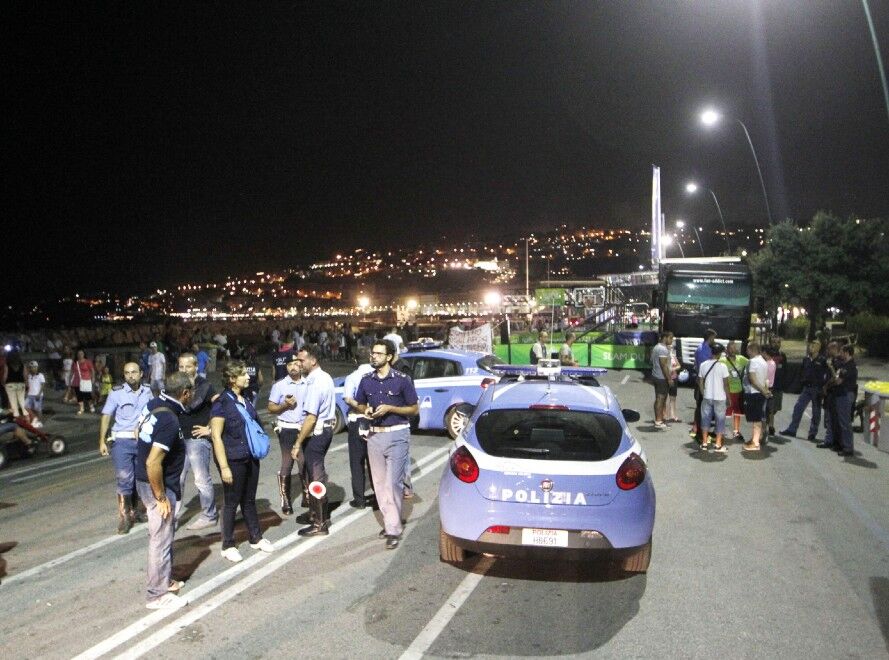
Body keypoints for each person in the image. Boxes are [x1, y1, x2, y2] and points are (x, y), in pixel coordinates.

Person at [134, 371, 192, 609]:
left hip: (145, 481)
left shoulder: (153, 404)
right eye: (191, 392)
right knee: (161, 539)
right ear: (185, 393)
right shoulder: (169, 420)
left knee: (161, 536)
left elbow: (138, 433)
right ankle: (156, 595)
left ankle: (165, 580)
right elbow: (153, 462)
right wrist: (160, 496)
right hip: (158, 485)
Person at [354, 339, 419, 549]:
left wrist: (391, 408)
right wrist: (365, 410)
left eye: (378, 354)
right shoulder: (366, 380)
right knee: (380, 484)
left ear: (389, 357)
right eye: (372, 353)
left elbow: (413, 409)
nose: (373, 356)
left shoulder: (402, 380)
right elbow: (359, 403)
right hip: (374, 436)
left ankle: (393, 529)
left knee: (393, 483)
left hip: (397, 434)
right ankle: (391, 520)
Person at [210, 361, 274, 562]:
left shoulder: (245, 399)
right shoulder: (221, 403)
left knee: (249, 499)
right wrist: (224, 467)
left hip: (250, 457)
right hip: (233, 459)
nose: (248, 377)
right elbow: (216, 436)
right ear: (232, 379)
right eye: (243, 374)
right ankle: (228, 545)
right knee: (231, 502)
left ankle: (256, 537)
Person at [99, 362, 154, 533]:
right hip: (122, 441)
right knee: (125, 479)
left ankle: (136, 511)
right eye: (127, 373)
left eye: (134, 372)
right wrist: (101, 441)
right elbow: (106, 415)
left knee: (140, 477)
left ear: (141, 374)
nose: (130, 375)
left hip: (143, 441)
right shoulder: (116, 393)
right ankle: (124, 517)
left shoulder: (147, 391)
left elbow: (153, 412)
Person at [290, 344, 337, 536]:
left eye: (302, 360)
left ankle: (320, 523)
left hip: (316, 433)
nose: (298, 364)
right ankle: (314, 514)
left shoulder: (316, 382)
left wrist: (297, 443)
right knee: (312, 475)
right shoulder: (322, 377)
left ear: (313, 360)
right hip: (323, 430)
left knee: (316, 477)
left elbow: (311, 417)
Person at [176, 353, 220, 530]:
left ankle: (209, 515)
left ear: (196, 367)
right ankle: (172, 518)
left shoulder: (205, 386)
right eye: (181, 366)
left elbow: (220, 406)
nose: (184, 370)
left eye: (188, 366)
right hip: (179, 440)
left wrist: (209, 428)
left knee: (201, 479)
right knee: (176, 479)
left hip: (197, 440)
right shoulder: (176, 385)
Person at [266, 350, 306, 516]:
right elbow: (271, 407)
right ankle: (286, 499)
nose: (293, 367)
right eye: (290, 364)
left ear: (302, 365)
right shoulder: (280, 385)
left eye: (296, 363)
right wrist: (284, 405)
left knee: (304, 462)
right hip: (287, 428)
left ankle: (307, 494)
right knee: (287, 463)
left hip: (305, 428)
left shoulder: (308, 383)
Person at [342, 347, 375, 508]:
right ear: (370, 358)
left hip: (357, 420)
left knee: (357, 461)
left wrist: (359, 406)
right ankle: (378, 496)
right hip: (374, 420)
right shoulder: (376, 374)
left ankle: (359, 499)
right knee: (375, 461)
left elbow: (347, 398)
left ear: (355, 360)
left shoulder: (352, 377)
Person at [780, 341, 827, 441]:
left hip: (817, 388)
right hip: (806, 387)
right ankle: (792, 429)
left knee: (816, 412)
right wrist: (802, 381)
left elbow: (825, 374)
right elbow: (802, 371)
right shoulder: (806, 359)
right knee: (798, 408)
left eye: (814, 346)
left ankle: (812, 433)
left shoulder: (822, 360)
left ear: (819, 348)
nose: (811, 347)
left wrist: (823, 387)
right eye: (811, 345)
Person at [697, 343, 730, 452]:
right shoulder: (723, 366)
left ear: (711, 352)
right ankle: (718, 444)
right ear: (719, 354)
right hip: (720, 397)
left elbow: (700, 382)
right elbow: (726, 384)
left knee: (705, 419)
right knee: (720, 420)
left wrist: (703, 393)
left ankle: (704, 443)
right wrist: (729, 398)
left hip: (707, 396)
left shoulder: (703, 365)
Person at [741, 342, 771, 451]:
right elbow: (766, 380)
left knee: (756, 419)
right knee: (756, 418)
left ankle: (755, 443)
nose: (746, 352)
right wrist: (765, 390)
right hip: (759, 393)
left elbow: (752, 379)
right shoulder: (764, 361)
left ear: (751, 350)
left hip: (754, 393)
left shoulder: (753, 361)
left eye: (747, 350)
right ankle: (755, 439)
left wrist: (763, 391)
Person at [720, 341, 749, 442]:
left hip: (739, 390)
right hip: (727, 391)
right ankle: (721, 430)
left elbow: (752, 363)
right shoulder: (722, 361)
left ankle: (736, 430)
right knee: (724, 412)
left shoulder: (741, 359)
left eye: (734, 348)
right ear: (727, 350)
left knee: (738, 412)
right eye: (730, 348)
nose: (732, 350)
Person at [692, 329, 717, 441]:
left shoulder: (703, 348)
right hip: (704, 382)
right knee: (702, 406)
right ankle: (700, 432)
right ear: (710, 337)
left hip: (704, 381)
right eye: (714, 338)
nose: (714, 340)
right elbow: (705, 368)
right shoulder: (703, 350)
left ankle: (701, 430)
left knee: (703, 406)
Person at [818, 341, 843, 451]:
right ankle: (831, 439)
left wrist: (826, 386)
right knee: (829, 417)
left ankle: (830, 440)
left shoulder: (837, 362)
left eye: (829, 349)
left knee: (831, 418)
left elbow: (835, 377)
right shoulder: (832, 361)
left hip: (833, 392)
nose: (827, 351)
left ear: (834, 349)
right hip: (830, 392)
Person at [650, 331, 673, 429]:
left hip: (656, 375)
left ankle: (660, 419)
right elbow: (663, 365)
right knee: (660, 398)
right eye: (670, 338)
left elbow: (651, 361)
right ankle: (658, 421)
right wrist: (669, 379)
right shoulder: (662, 349)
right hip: (661, 378)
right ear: (665, 337)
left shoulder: (656, 347)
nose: (671, 340)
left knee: (660, 398)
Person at [767, 336, 788, 436]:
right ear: (770, 343)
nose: (776, 344)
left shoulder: (782, 355)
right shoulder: (767, 354)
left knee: (776, 408)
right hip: (769, 385)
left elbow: (785, 370)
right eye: (774, 342)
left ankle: (767, 420)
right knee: (770, 407)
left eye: (778, 342)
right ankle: (771, 426)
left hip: (779, 386)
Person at [71, 349, 96, 415]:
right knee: (79, 395)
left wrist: (93, 378)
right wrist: (70, 380)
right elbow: (72, 372)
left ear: (84, 354)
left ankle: (91, 406)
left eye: (81, 353)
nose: (80, 355)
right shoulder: (75, 362)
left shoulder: (88, 362)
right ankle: (81, 408)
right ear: (77, 355)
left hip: (86, 380)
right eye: (79, 354)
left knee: (87, 394)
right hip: (77, 381)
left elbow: (92, 370)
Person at [4, 351, 26, 418]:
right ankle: (25, 417)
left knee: (12, 402)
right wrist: (26, 384)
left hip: (10, 385)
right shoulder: (22, 365)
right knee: (21, 401)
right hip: (21, 384)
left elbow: (5, 376)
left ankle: (15, 418)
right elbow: (25, 375)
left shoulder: (7, 365)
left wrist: (3, 383)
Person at [24, 361, 45, 427]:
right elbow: (28, 386)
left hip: (37, 395)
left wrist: (39, 394)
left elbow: (42, 385)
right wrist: (26, 393)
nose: (32, 368)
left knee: (38, 409)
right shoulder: (29, 376)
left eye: (34, 367)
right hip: (30, 394)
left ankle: (40, 422)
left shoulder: (40, 375)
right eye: (31, 367)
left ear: (37, 367)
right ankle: (35, 418)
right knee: (25, 406)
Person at [665, 343, 681, 423]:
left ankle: (673, 415)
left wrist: (673, 368)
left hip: (674, 378)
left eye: (671, 348)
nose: (670, 349)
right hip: (665, 378)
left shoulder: (673, 356)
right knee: (664, 397)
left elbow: (679, 366)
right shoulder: (663, 356)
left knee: (673, 398)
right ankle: (665, 415)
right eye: (669, 347)